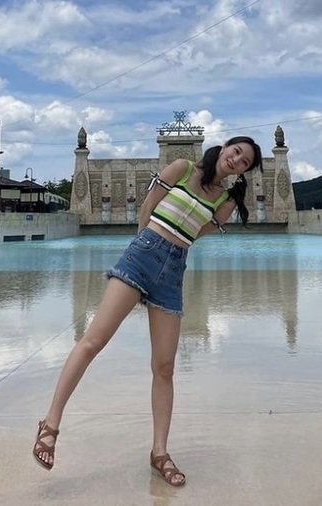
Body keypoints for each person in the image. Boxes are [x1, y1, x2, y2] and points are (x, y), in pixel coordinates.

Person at [32, 135, 264, 486]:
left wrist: (171, 250)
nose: (236, 160)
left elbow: (195, 233)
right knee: (93, 341)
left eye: (245, 161)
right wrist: (143, 241)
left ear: (244, 171)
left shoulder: (226, 201)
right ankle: (49, 425)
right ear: (223, 148)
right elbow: (149, 204)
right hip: (142, 254)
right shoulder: (183, 168)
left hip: (173, 271)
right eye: (236, 151)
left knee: (165, 366)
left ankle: (159, 452)